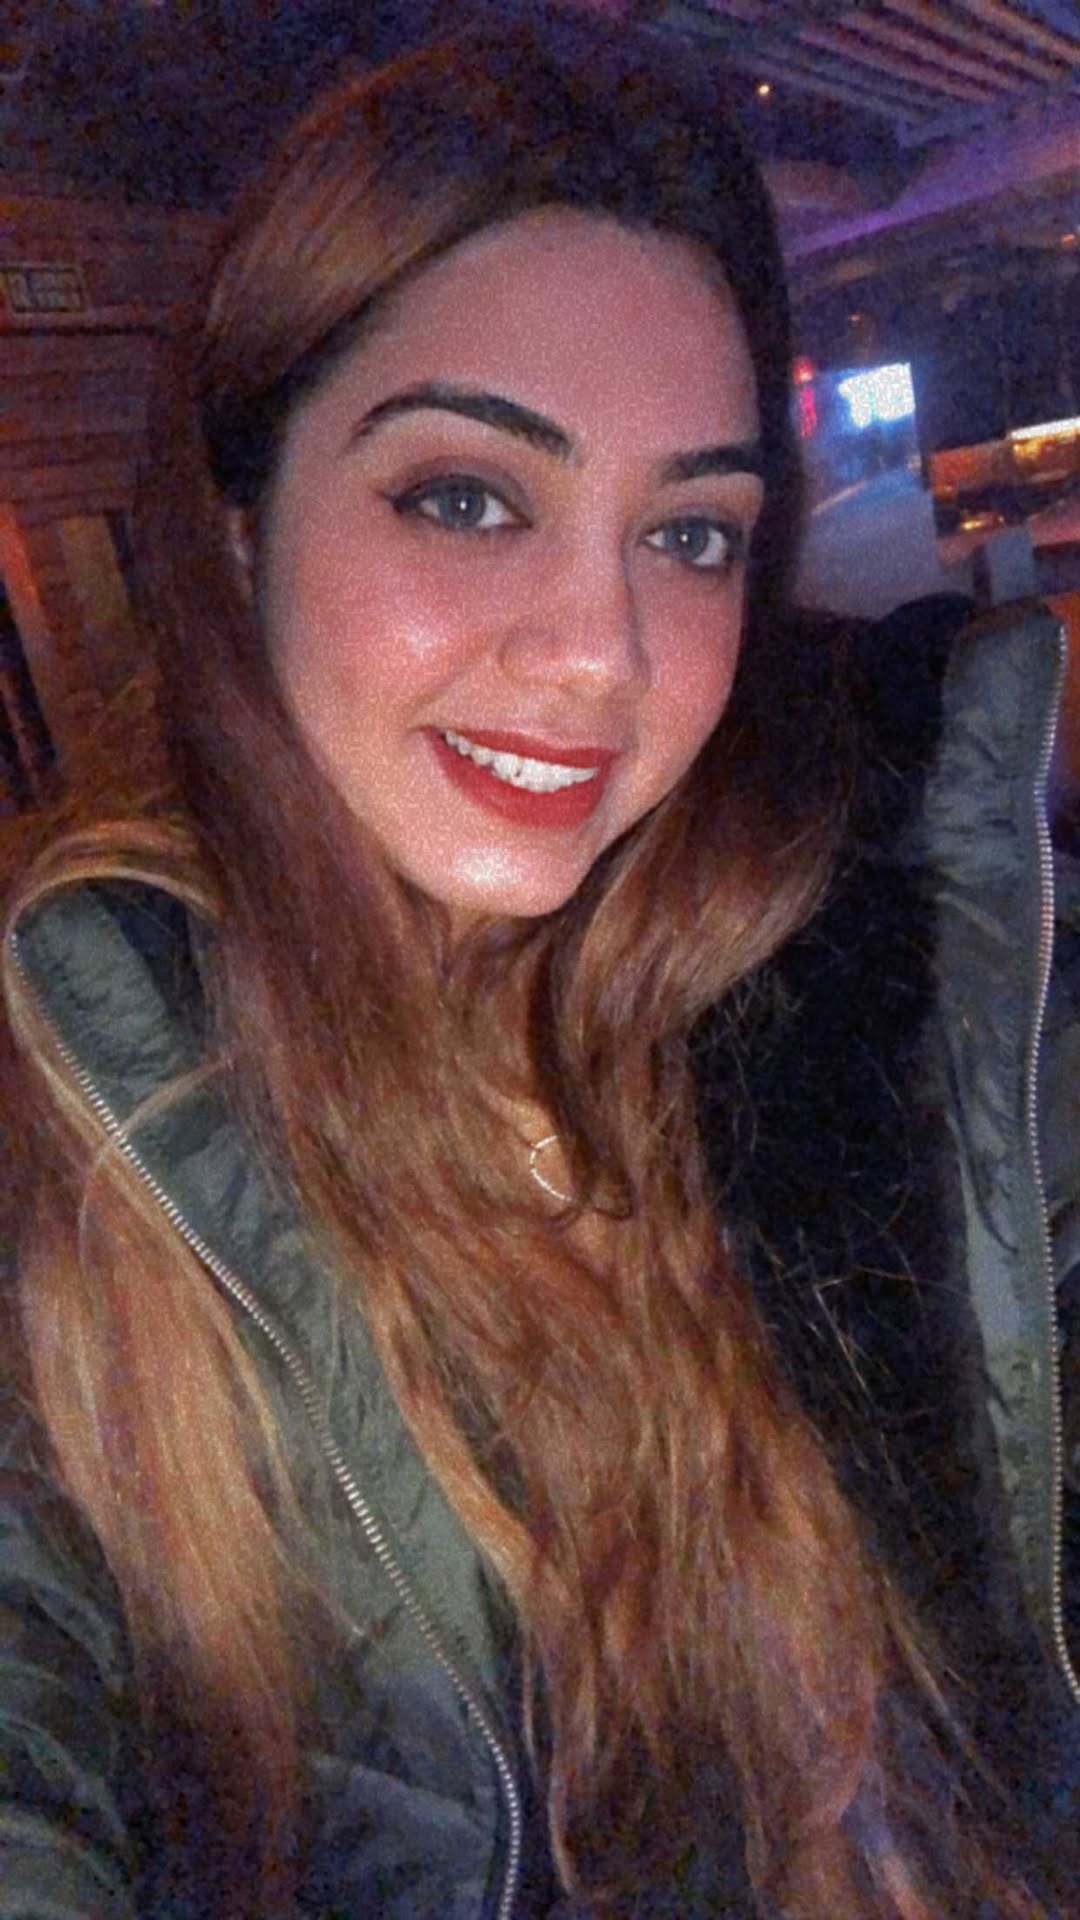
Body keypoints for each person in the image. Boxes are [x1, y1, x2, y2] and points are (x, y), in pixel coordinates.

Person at [0, 16, 1077, 1918]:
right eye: (467, 498)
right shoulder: (63, 1143)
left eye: (690, 532)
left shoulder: (887, 955)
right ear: (242, 525)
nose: (603, 651)